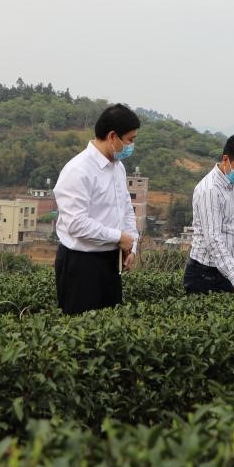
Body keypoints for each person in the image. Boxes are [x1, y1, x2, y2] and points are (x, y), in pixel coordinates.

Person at [52, 103, 141, 314]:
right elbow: (76, 224)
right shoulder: (78, 170)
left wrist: (131, 246)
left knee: (108, 331)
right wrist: (118, 236)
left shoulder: (118, 168)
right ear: (112, 136)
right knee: (81, 335)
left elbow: (126, 209)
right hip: (81, 265)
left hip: (111, 262)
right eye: (129, 140)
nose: (131, 146)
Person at [184, 134, 234, 295]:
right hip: (206, 274)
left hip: (225, 269)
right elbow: (213, 239)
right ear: (226, 159)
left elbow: (233, 224)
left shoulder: (233, 183)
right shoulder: (210, 190)